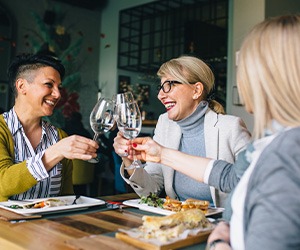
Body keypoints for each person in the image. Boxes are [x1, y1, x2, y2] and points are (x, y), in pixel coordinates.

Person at [130, 15, 300, 249]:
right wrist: (160, 154)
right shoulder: (272, 141)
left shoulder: (288, 151)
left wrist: (218, 241)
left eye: (245, 67)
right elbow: (231, 176)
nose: (241, 80)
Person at [113, 55, 251, 208]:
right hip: (179, 223)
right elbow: (151, 190)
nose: (160, 95)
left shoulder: (230, 127)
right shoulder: (165, 124)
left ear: (196, 90)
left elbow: (253, 186)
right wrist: (129, 160)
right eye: (161, 87)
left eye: (169, 85)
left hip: (220, 225)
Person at [0, 53, 99, 201]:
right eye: (49, 84)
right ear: (21, 86)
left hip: (50, 224)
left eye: (59, 87)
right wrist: (55, 152)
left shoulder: (60, 137)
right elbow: (3, 183)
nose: (58, 94)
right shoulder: (2, 130)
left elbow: (66, 198)